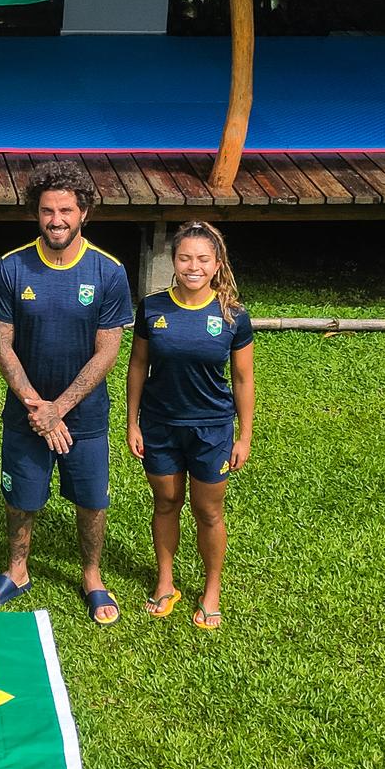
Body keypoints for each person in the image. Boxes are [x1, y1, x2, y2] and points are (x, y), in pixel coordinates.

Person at [0, 161, 134, 625]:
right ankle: (18, 569)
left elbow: (108, 351)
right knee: (20, 497)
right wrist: (35, 406)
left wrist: (60, 409)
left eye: (66, 210)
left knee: (91, 500)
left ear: (83, 211)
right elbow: (1, 343)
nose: (56, 220)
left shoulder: (109, 272)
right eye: (47, 211)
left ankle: (91, 575)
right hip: (26, 412)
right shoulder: (12, 266)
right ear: (36, 213)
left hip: (84, 417)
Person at [127, 222, 254, 630]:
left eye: (202, 259)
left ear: (217, 265)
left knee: (208, 510)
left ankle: (211, 588)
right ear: (174, 262)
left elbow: (242, 379)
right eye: (185, 258)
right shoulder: (152, 308)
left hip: (212, 430)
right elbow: (138, 365)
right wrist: (133, 422)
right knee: (165, 503)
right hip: (160, 425)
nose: (193, 266)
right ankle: (166, 582)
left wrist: (244, 434)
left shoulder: (233, 315)